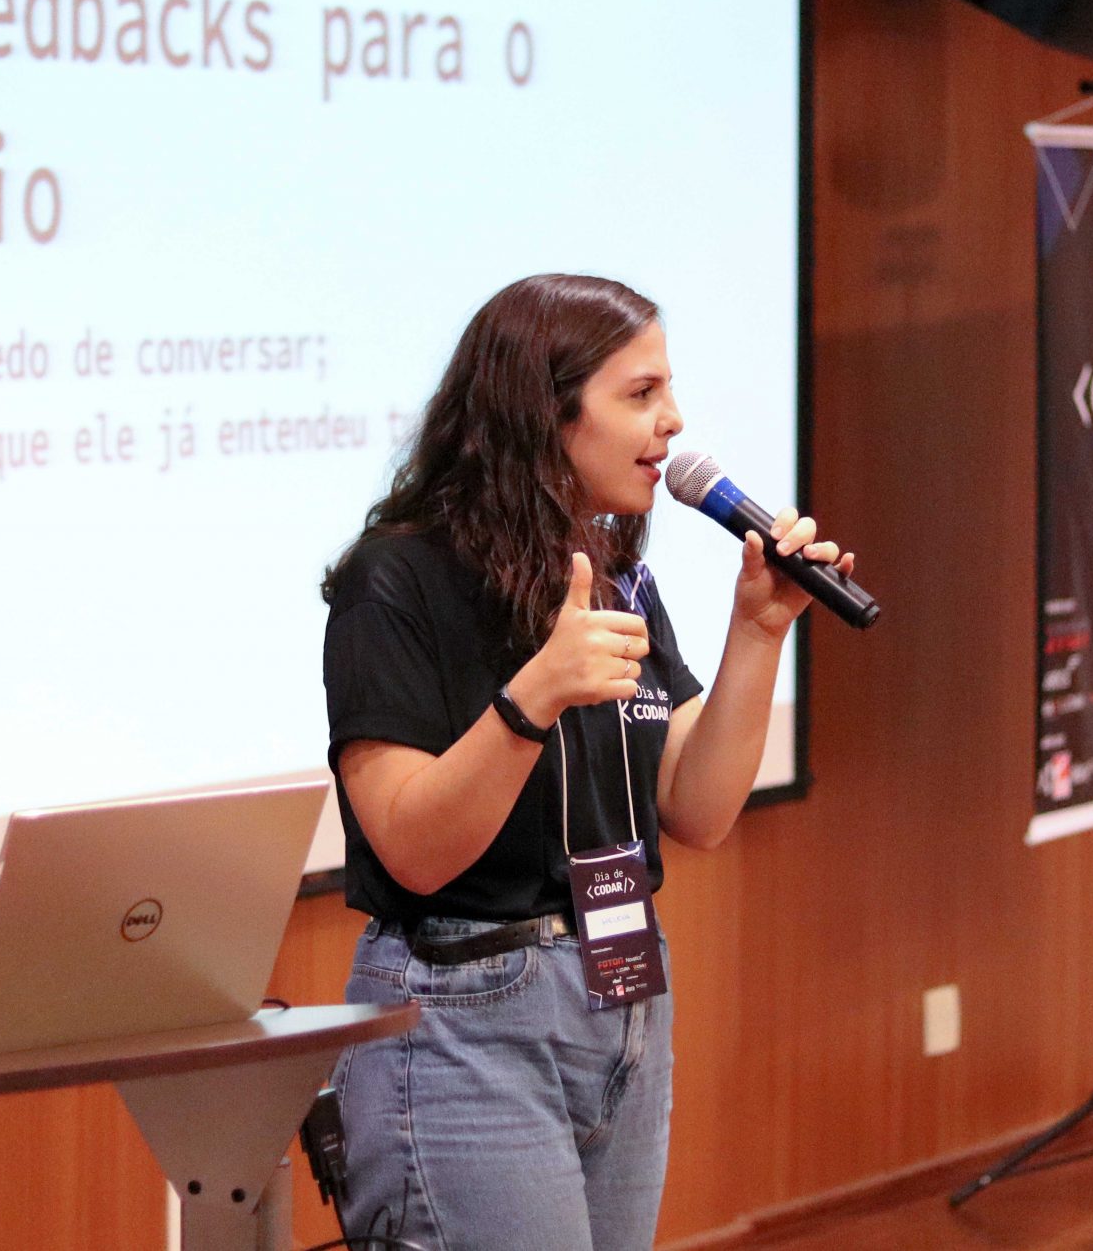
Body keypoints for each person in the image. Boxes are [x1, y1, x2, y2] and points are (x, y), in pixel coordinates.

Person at [320, 273, 854, 1251]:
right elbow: (412, 849)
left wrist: (758, 631)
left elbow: (696, 809)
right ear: (544, 413)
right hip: (461, 1010)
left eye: (668, 389)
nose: (673, 420)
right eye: (640, 393)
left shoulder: (612, 577)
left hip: (621, 989)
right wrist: (534, 696)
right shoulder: (394, 579)